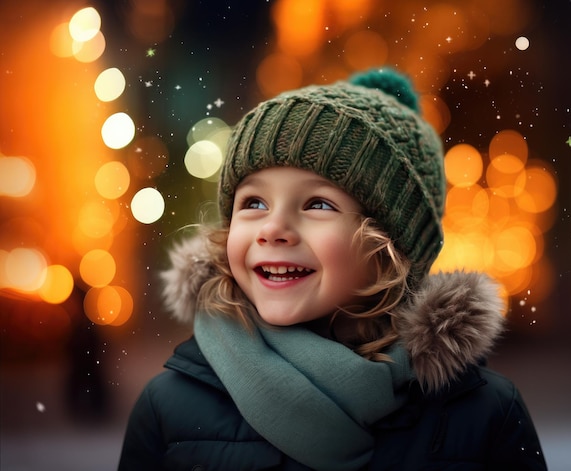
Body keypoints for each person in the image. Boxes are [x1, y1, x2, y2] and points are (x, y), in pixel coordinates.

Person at [118, 68, 547, 470]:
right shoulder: (170, 408)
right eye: (253, 203)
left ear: (391, 247)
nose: (273, 228)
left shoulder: (483, 413)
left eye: (318, 204)